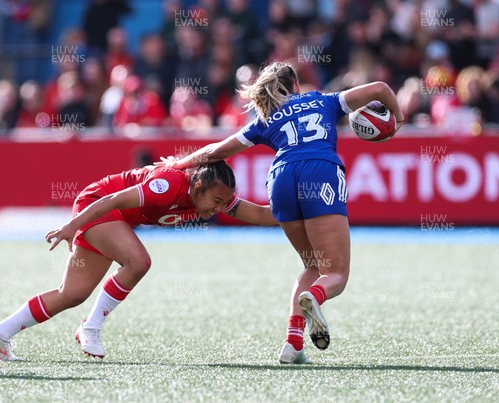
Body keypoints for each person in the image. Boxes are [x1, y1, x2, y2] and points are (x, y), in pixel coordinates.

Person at [158, 61, 404, 364]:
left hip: (281, 177)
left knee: (313, 265)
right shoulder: (323, 100)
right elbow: (380, 89)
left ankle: (292, 344)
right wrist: (400, 117)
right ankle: (316, 297)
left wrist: (177, 165)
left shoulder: (266, 118)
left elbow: (216, 151)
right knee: (335, 273)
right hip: (320, 170)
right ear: (297, 85)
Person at [0, 161, 276, 361]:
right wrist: (72, 226)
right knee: (138, 262)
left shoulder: (210, 195)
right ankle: (91, 328)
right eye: (216, 202)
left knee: (71, 294)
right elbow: (110, 201)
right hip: (96, 205)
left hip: (113, 219)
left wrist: (307, 210)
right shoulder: (169, 185)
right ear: (197, 189)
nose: (219, 209)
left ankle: (0, 332)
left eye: (225, 203)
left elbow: (262, 215)